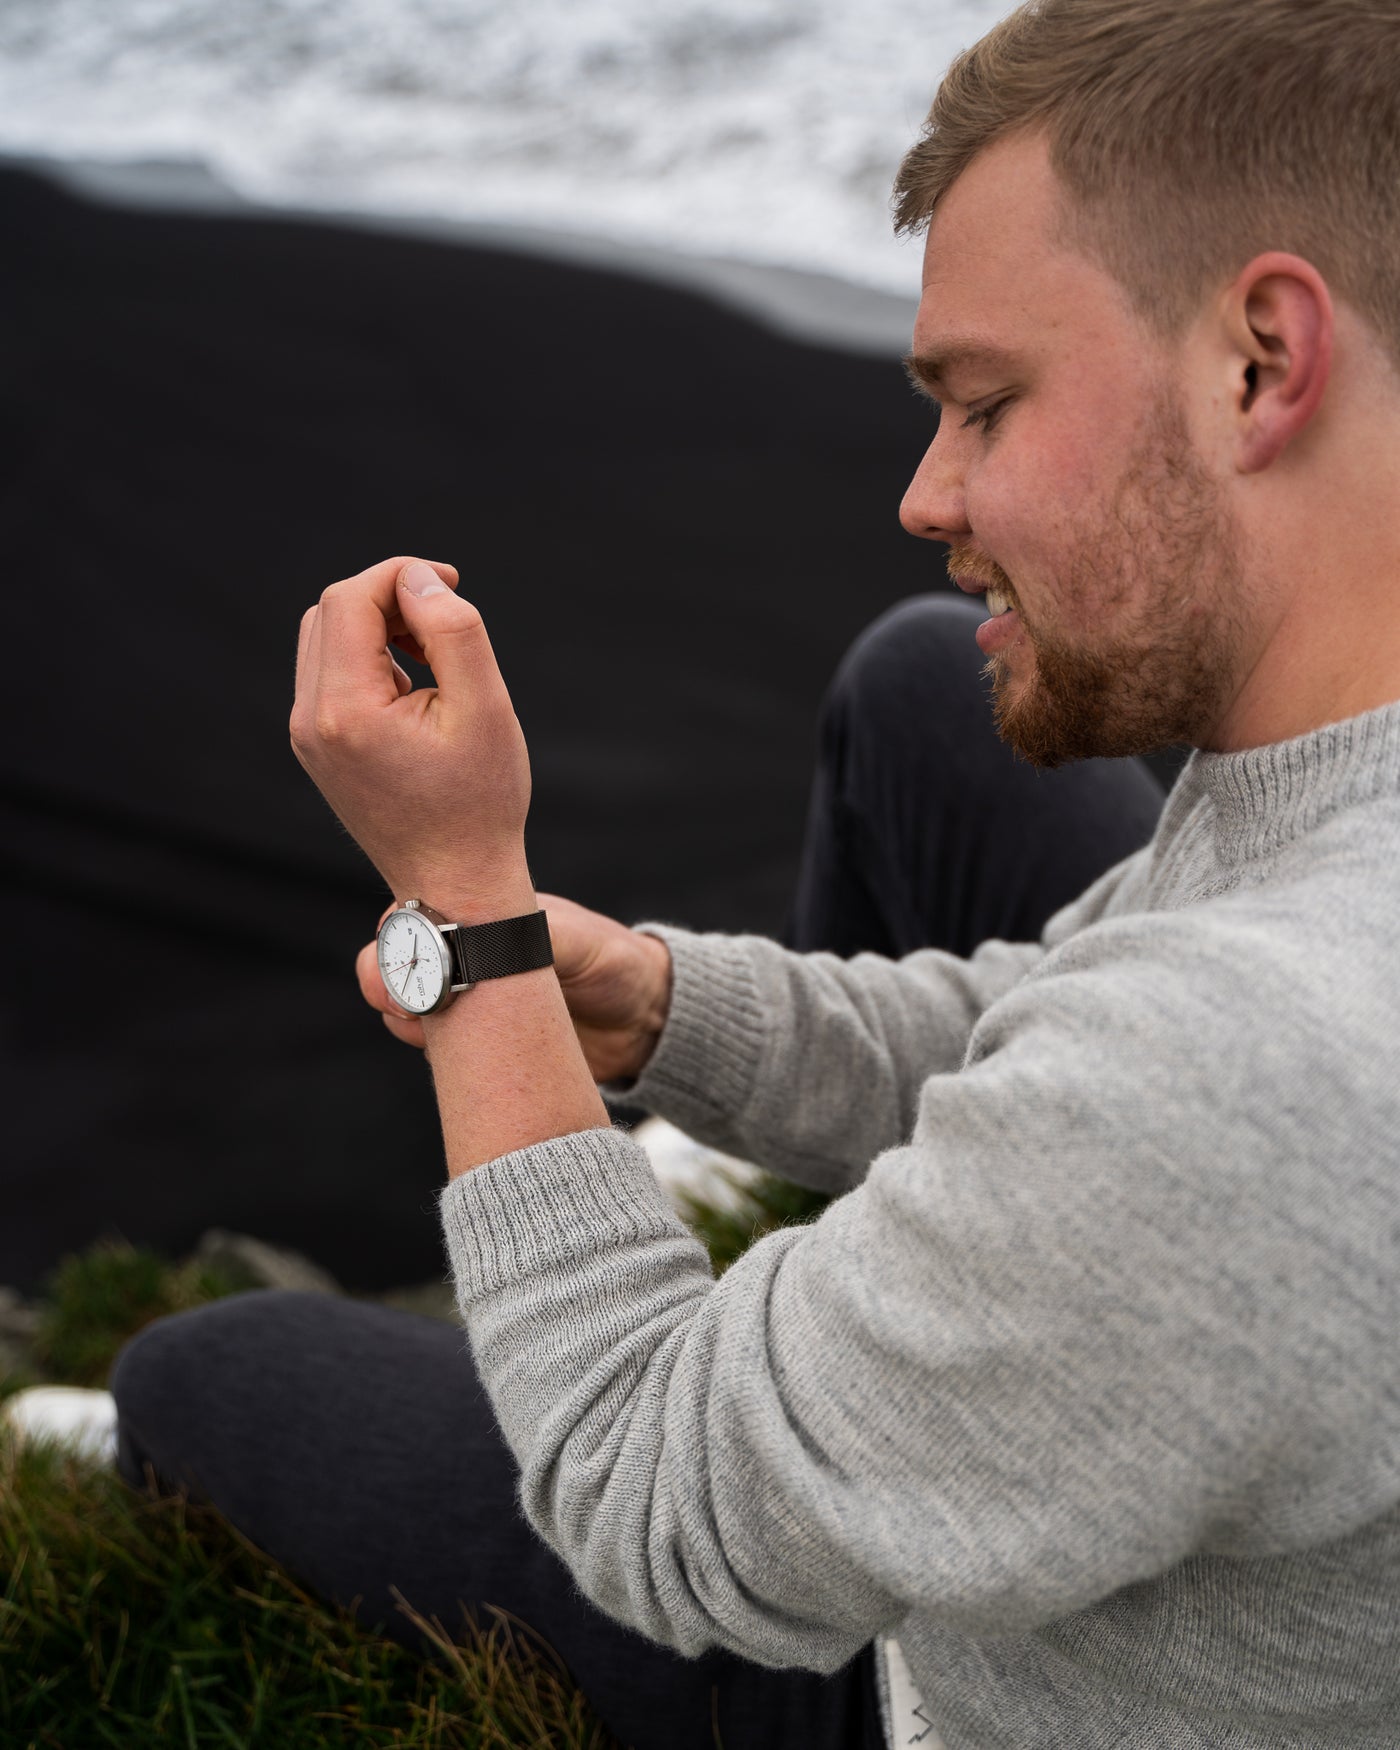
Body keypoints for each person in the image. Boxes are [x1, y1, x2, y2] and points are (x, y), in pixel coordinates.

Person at [112, 0, 1400, 1744]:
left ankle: (836, 1342)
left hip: (968, 1685)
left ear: (1261, 357)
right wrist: (662, 1006)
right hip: (1216, 1234)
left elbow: (652, 1497)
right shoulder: (1322, 811)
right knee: (914, 687)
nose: (925, 489)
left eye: (984, 404)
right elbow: (1077, 1006)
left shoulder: (1239, 1075)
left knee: (200, 1380)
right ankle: (872, 1276)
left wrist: (467, 924)